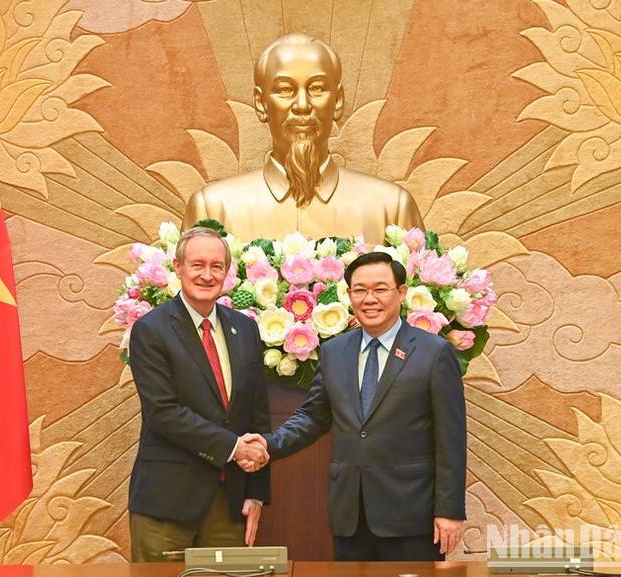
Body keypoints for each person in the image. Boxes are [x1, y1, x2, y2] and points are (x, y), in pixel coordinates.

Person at [250, 251, 466, 561]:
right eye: (360, 290)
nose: (370, 299)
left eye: (380, 289)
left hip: (411, 516)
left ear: (401, 293)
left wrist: (449, 511)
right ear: (349, 295)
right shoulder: (335, 351)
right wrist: (268, 445)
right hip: (350, 515)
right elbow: (313, 417)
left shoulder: (434, 352)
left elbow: (451, 439)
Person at [182, 33, 424, 245]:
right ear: (260, 103)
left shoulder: (392, 209)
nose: (302, 105)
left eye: (317, 88)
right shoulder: (213, 209)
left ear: (338, 101)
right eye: (285, 89)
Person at [128, 227, 271, 561]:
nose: (207, 275)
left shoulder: (245, 328)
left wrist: (258, 492)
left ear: (227, 272)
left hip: (230, 501)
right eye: (197, 265)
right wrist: (234, 448)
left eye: (217, 266)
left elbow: (258, 415)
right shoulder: (151, 330)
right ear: (178, 268)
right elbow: (163, 413)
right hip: (167, 502)